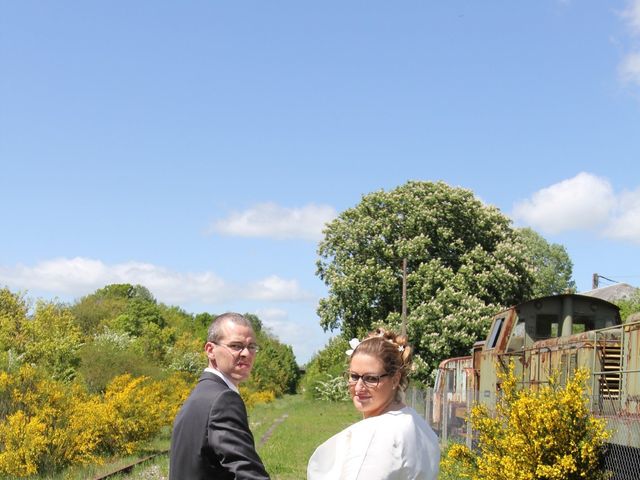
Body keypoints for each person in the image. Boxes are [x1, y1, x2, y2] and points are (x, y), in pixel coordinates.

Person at [307, 328, 440, 480]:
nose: (358, 387)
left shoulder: (374, 435)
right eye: (354, 376)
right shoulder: (418, 424)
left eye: (371, 378)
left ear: (395, 379)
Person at [169, 312, 270, 480]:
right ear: (210, 350)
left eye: (251, 346)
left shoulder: (199, 395)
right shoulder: (223, 400)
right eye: (236, 346)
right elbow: (249, 475)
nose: (246, 353)